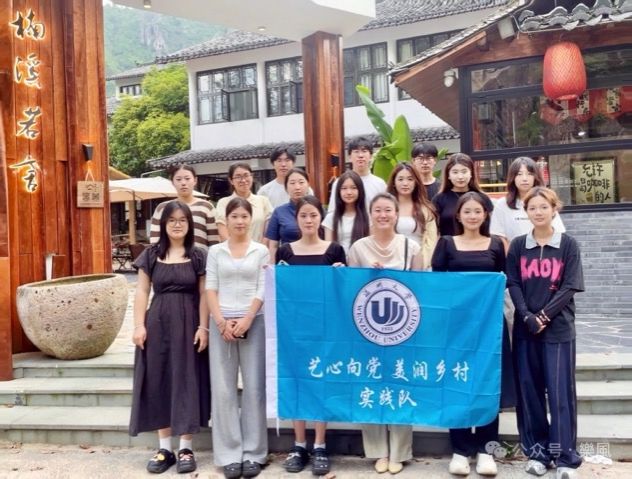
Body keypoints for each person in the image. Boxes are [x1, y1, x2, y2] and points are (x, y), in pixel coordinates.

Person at [431, 192, 511, 477]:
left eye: (478, 211)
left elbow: (505, 281)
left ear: (485, 215)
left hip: (490, 325)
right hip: (456, 327)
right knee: (458, 382)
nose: (473, 216)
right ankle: (460, 450)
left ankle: (487, 450)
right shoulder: (446, 243)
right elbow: (437, 284)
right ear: (459, 215)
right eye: (467, 211)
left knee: (489, 383)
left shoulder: (496, 245)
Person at [506, 187, 584, 479]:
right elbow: (513, 282)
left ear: (554, 209)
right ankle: (538, 453)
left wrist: (543, 316)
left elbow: (570, 285)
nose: (538, 212)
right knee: (530, 394)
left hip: (558, 330)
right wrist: (527, 316)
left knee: (561, 394)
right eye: (532, 208)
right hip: (526, 331)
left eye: (543, 207)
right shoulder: (518, 246)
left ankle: (565, 458)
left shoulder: (568, 244)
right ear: (526, 212)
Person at [130, 200, 210, 475]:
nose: (177, 225)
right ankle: (165, 448)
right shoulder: (151, 254)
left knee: (187, 379)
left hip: (189, 323)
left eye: (182, 220)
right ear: (163, 224)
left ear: (190, 224)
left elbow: (204, 293)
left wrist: (203, 327)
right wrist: (138, 325)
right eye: (172, 220)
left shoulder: (198, 255)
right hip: (157, 323)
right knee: (158, 379)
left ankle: (186, 447)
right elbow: (142, 291)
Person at [348, 193, 423, 475]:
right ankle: (378, 450)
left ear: (396, 214)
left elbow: (420, 287)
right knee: (371, 383)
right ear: (370, 214)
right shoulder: (358, 248)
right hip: (367, 327)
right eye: (377, 210)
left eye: (388, 210)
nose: (383, 215)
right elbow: (350, 288)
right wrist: (366, 275)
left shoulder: (410, 246)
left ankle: (400, 451)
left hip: (403, 327)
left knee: (401, 383)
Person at [276, 195, 346, 476]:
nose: (308, 220)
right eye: (303, 215)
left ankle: (319, 444)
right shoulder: (285, 252)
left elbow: (343, 293)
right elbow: (278, 291)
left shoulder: (335, 250)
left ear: (321, 218)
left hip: (325, 326)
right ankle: (298, 445)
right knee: (295, 380)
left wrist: (342, 274)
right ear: (296, 219)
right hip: (293, 328)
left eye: (313, 215)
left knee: (321, 380)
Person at [205, 197, 270, 479]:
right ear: (226, 220)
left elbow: (262, 288)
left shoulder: (261, 251)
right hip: (221, 323)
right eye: (235, 216)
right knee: (223, 389)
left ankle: (254, 453)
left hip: (254, 321)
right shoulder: (215, 251)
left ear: (251, 219)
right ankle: (229, 454)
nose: (240, 221)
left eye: (245, 216)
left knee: (254, 387)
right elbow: (210, 287)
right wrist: (220, 321)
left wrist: (246, 319)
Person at [491, 156, 566, 252]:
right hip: (515, 256)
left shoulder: (546, 201)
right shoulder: (502, 204)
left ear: (536, 177)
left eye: (529, 174)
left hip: (545, 255)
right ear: (512, 178)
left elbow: (558, 232)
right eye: (519, 174)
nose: (524, 179)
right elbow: (499, 236)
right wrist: (510, 256)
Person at [150, 164, 220, 250]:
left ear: (195, 180)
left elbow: (214, 241)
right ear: (172, 182)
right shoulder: (162, 208)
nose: (183, 183)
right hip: (169, 257)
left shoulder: (206, 207)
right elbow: (155, 240)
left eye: (187, 179)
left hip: (200, 257)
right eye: (178, 179)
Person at [386, 162, 438, 269]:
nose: (405, 183)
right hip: (392, 266)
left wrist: (421, 265)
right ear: (394, 182)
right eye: (400, 179)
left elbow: (431, 241)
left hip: (420, 267)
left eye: (410, 179)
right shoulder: (386, 209)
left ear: (416, 182)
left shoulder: (426, 210)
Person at [433, 153, 494, 237]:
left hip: (478, 243)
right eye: (455, 172)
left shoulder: (483, 198)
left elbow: (492, 227)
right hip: (448, 244)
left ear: (471, 173)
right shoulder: (439, 199)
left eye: (464, 172)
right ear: (448, 175)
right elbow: (433, 230)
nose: (460, 177)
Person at [216, 162, 273, 243]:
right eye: (238, 177)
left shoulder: (263, 201)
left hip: (259, 248)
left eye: (246, 175)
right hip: (232, 249)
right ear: (231, 180)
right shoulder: (224, 203)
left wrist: (261, 248)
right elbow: (222, 230)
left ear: (252, 177)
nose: (243, 180)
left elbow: (268, 231)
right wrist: (234, 248)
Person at [327, 136, 386, 213]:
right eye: (356, 151)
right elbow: (332, 212)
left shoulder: (380, 184)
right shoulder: (340, 183)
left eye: (364, 151)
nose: (360, 155)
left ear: (371, 156)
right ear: (349, 157)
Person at [265, 168, 311, 262]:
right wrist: (273, 265)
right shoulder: (279, 212)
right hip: (288, 262)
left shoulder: (317, 210)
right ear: (286, 188)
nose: (297, 187)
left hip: (316, 260)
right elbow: (273, 245)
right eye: (292, 183)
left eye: (301, 182)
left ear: (308, 185)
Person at [322, 170, 370, 254]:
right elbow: (328, 249)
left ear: (360, 190)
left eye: (353, 188)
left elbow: (371, 247)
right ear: (338, 191)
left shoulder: (369, 217)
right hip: (338, 261)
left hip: (361, 261)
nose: (349, 192)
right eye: (344, 188)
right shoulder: (330, 218)